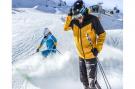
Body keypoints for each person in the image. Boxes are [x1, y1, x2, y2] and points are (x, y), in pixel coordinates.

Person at [64, 0, 106, 89]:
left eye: (79, 16)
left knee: (92, 83)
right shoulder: (74, 22)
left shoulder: (93, 19)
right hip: (81, 56)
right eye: (75, 16)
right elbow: (66, 28)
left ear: (83, 11)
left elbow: (102, 34)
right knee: (84, 81)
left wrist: (97, 49)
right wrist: (69, 15)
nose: (78, 18)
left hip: (91, 55)